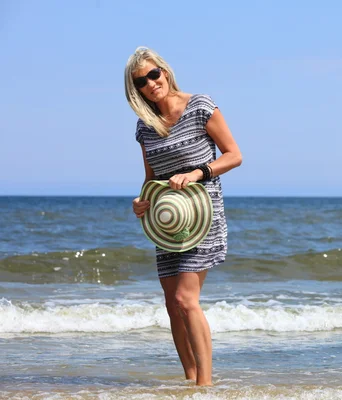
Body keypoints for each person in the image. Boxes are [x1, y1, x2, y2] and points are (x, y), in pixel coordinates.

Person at [124, 46, 242, 386]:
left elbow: (234, 156)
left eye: (152, 74)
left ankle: (205, 385)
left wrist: (197, 173)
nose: (150, 84)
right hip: (167, 219)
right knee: (171, 304)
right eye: (141, 82)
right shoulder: (145, 127)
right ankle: (190, 380)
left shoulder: (200, 106)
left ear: (164, 71)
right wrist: (141, 201)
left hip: (203, 213)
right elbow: (151, 178)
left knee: (185, 298)